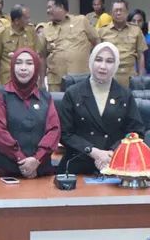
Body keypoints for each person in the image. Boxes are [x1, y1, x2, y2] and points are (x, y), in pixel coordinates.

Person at [58, 42, 145, 175]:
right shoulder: (73, 93)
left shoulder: (125, 95)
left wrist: (113, 152)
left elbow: (136, 132)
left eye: (109, 61)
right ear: (91, 61)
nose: (103, 66)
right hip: (78, 165)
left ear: (116, 65)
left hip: (115, 165)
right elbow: (64, 134)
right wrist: (94, 152)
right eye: (98, 60)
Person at [0, 48, 60, 178]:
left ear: (36, 67)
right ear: (12, 66)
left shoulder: (46, 98)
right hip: (5, 173)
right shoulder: (0, 95)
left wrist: (37, 159)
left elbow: (54, 130)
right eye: (18, 63)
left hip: (40, 172)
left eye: (29, 63)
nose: (23, 68)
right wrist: (20, 158)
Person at [40, 0, 99, 92]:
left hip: (81, 80)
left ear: (61, 7)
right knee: (57, 102)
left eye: (50, 7)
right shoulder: (46, 29)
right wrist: (41, 82)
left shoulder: (81, 21)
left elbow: (96, 41)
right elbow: (42, 57)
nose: (47, 11)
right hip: (56, 82)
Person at [98, 0, 146, 87]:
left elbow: (140, 55)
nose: (118, 13)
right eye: (116, 10)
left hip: (130, 77)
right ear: (111, 13)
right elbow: (96, 56)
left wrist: (141, 77)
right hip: (109, 76)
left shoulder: (136, 30)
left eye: (121, 10)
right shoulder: (102, 31)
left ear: (127, 13)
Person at [0, 5, 42, 87]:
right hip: (7, 80)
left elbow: (37, 55)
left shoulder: (31, 31)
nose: (29, 21)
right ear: (16, 21)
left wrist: (39, 79)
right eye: (26, 18)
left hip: (28, 79)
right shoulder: (1, 33)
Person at [128, 9, 150, 73]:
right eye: (133, 21)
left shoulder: (148, 37)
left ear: (144, 22)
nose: (136, 24)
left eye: (140, 21)